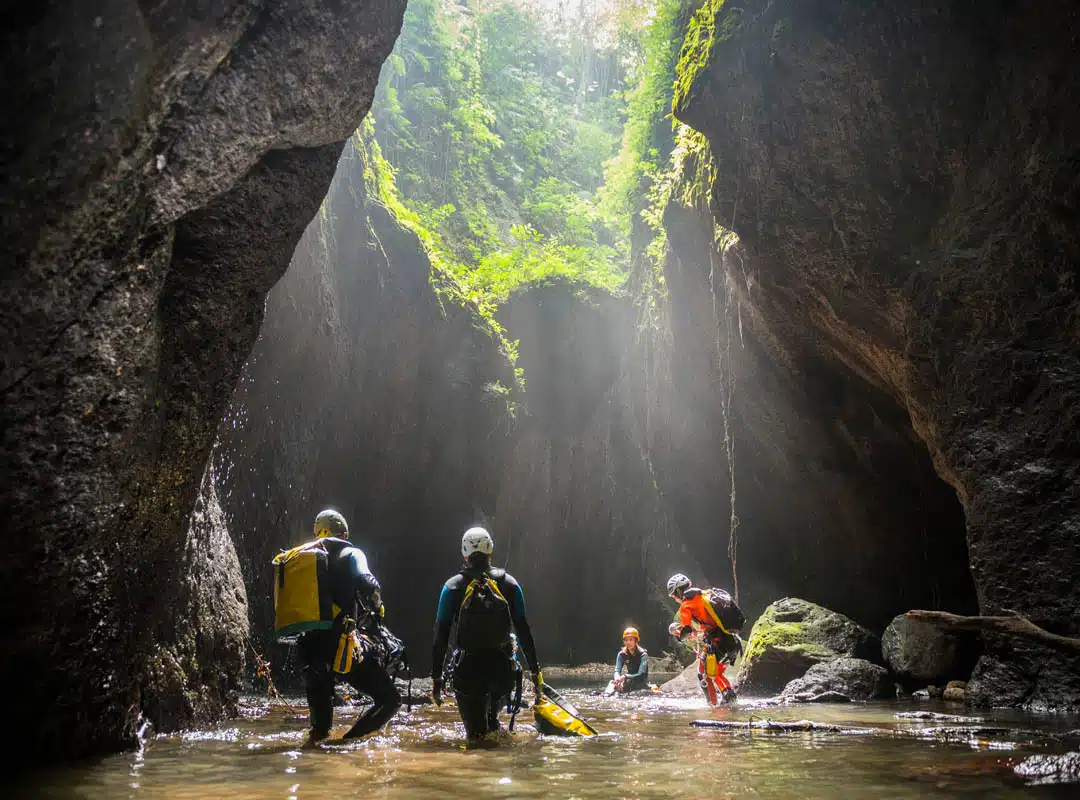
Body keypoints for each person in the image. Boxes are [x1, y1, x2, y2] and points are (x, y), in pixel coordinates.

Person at [295, 510, 402, 743]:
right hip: (339, 647)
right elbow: (368, 582)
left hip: (307, 650)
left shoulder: (301, 559)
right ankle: (346, 744)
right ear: (344, 533)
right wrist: (378, 607)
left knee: (319, 731)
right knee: (390, 700)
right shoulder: (351, 552)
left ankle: (315, 757)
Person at [431, 526, 542, 742]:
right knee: (492, 726)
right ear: (490, 549)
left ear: (464, 553)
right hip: (502, 671)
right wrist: (536, 673)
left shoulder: (452, 588)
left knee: (475, 736)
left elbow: (441, 636)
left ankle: (481, 769)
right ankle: (498, 764)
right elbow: (524, 630)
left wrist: (437, 678)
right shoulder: (510, 584)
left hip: (468, 671)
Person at [667, 573, 744, 706]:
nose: (675, 599)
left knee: (704, 674)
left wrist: (678, 633)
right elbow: (709, 623)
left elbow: (686, 632)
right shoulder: (706, 594)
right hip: (731, 641)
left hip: (716, 644)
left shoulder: (686, 605)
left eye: (674, 595)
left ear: (679, 591)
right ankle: (730, 700)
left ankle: (713, 706)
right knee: (717, 673)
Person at [610, 627, 649, 694]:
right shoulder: (622, 654)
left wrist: (625, 676)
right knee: (612, 684)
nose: (628, 642)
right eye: (626, 640)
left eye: (631, 640)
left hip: (640, 682)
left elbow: (641, 674)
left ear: (636, 641)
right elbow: (617, 671)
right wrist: (617, 679)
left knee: (628, 684)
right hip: (628, 680)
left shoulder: (643, 655)